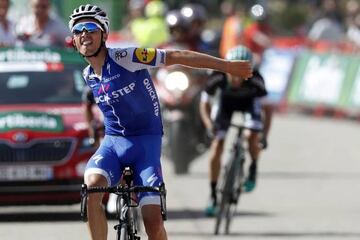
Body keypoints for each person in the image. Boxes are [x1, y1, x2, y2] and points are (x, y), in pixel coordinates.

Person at [68, 4, 252, 240]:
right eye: (78, 30)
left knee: (153, 224)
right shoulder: (88, 75)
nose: (84, 34)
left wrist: (226, 66)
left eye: (91, 28)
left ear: (103, 34)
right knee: (92, 188)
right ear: (73, 40)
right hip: (113, 143)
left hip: (146, 142)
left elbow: (175, 56)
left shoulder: (125, 57)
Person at [199, 45, 268, 217]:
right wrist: (209, 126)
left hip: (249, 105)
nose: (237, 78)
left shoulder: (256, 79)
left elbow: (268, 110)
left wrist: (263, 135)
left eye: (242, 73)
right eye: (233, 72)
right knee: (217, 145)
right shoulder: (217, 76)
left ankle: (252, 168)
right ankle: (213, 194)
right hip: (225, 105)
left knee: (252, 135)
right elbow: (204, 104)